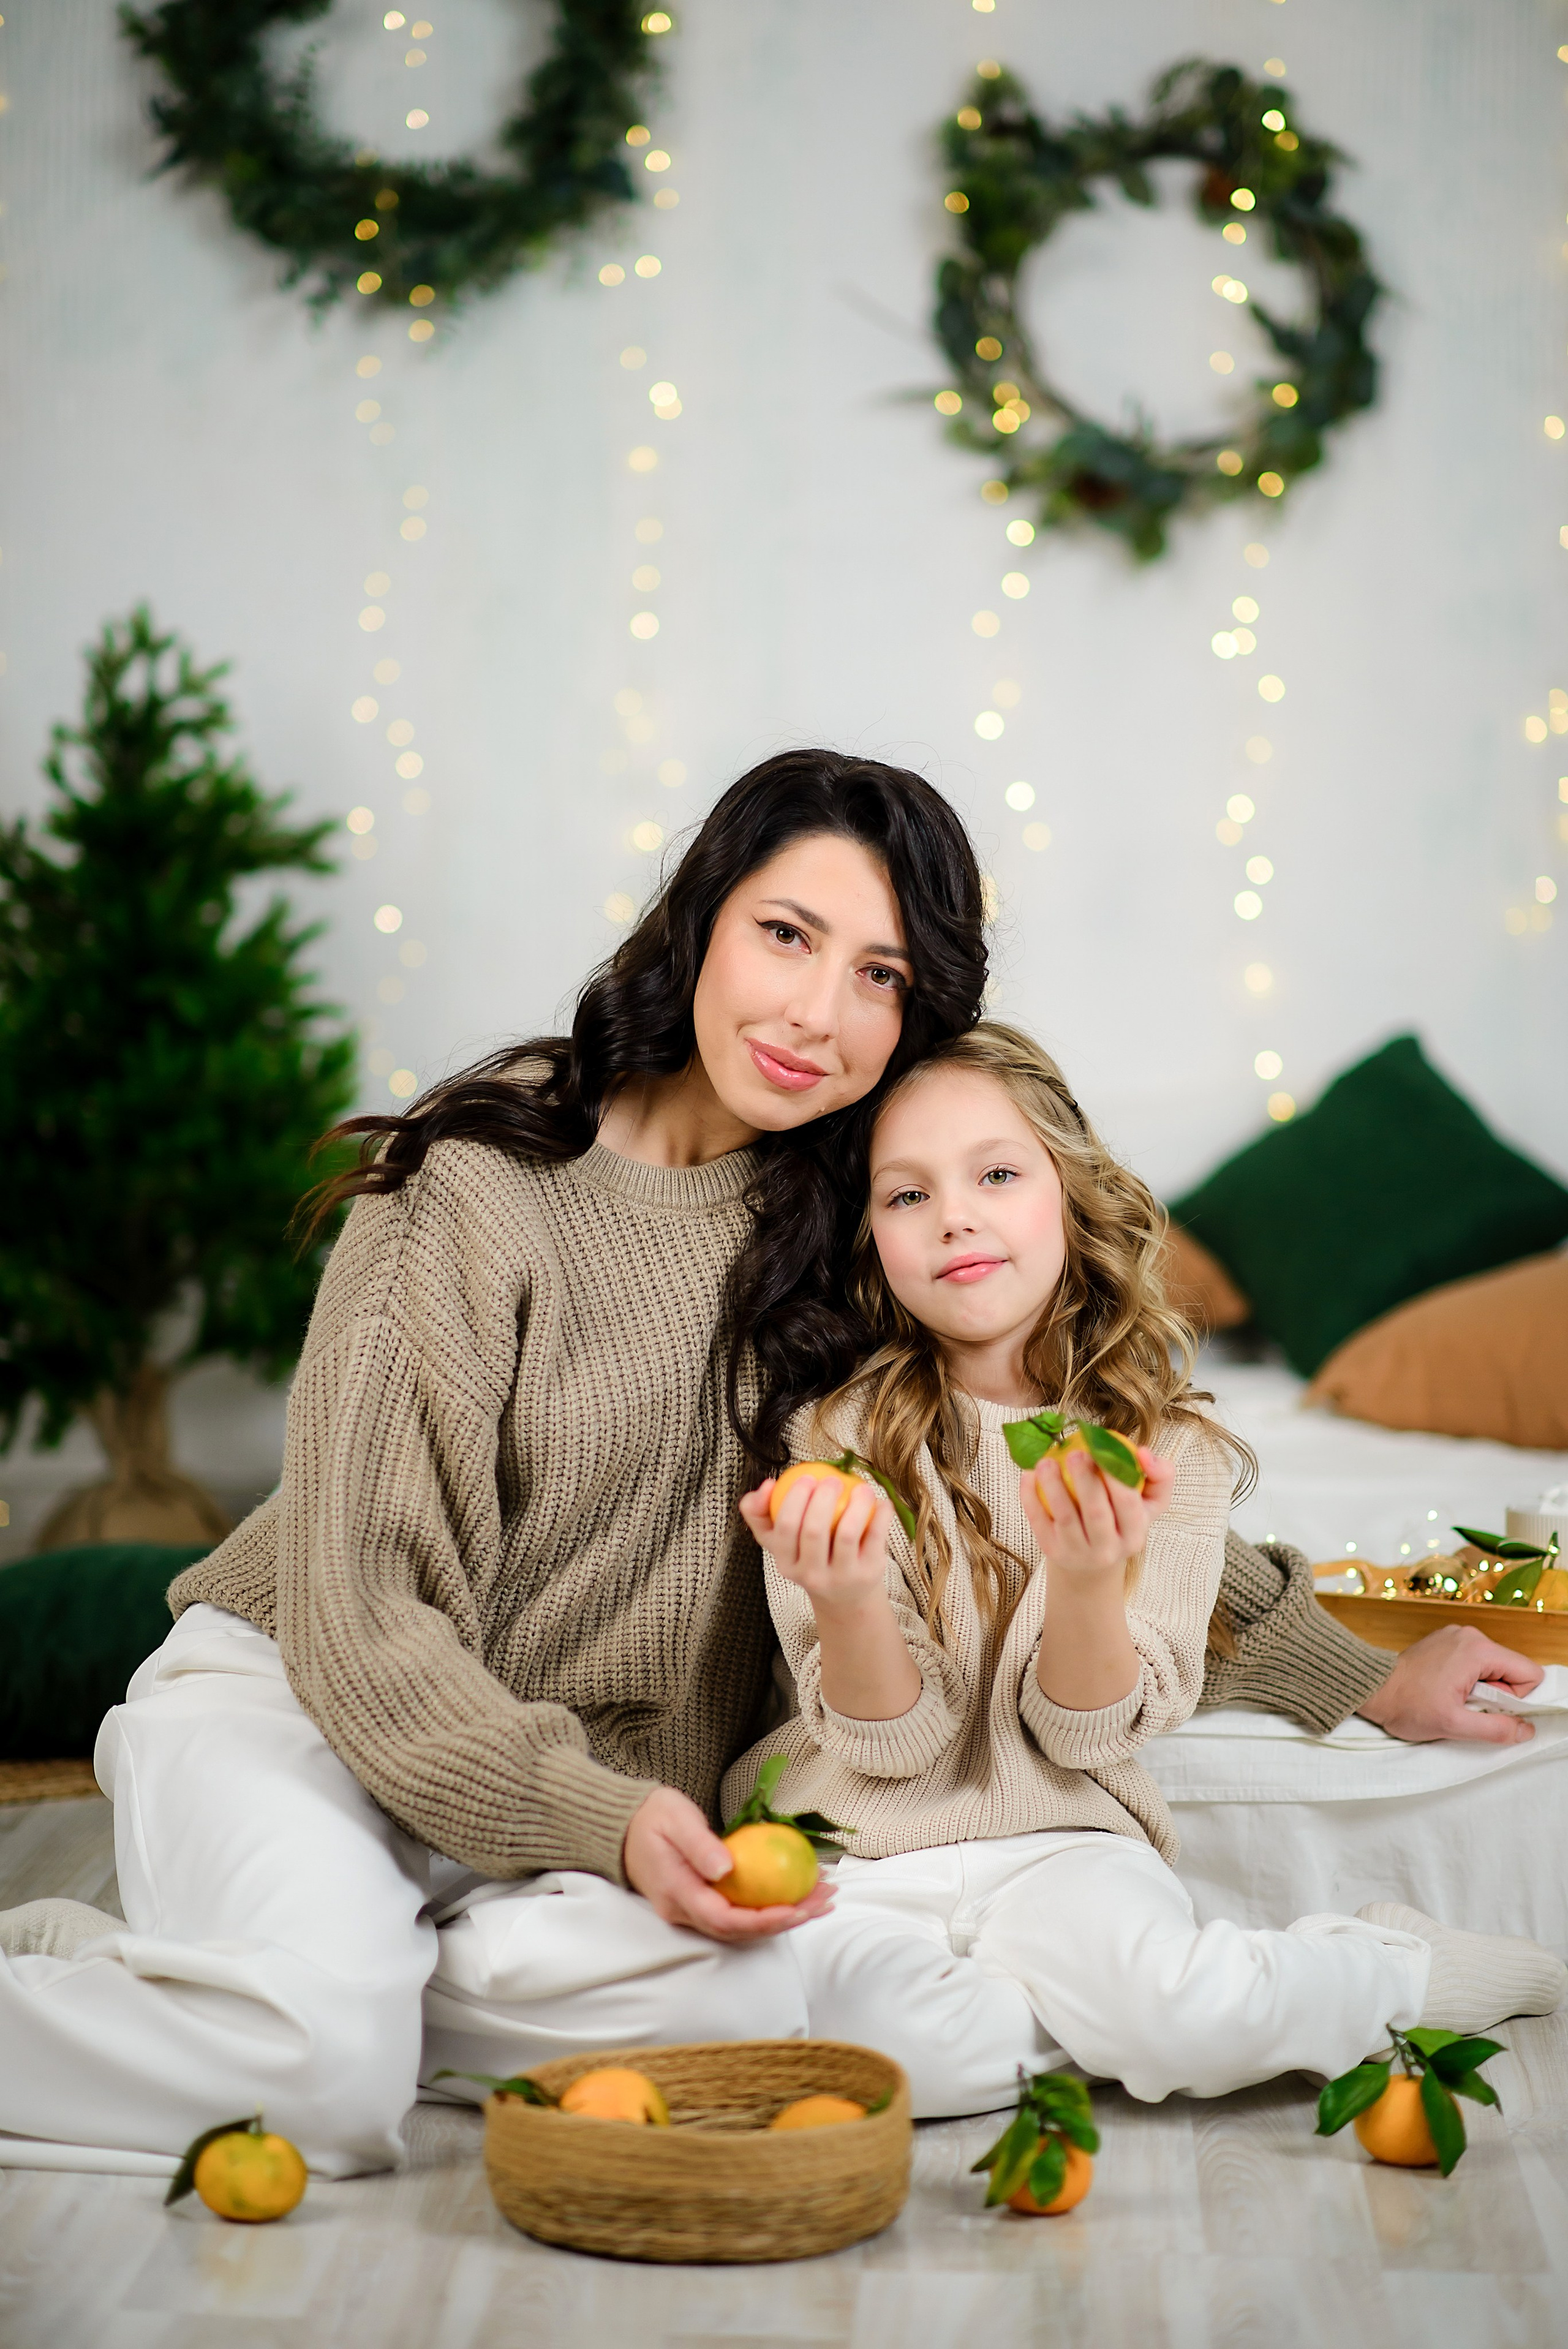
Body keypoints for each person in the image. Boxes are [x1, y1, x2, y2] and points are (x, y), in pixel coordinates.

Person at [0, 753, 1547, 2176]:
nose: (818, 1013)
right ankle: (276, 1998)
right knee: (330, 2082)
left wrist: (1347, 1676)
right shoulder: (470, 1193)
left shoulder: (860, 1217)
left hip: (560, 1810)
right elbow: (360, 1609)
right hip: (317, 1704)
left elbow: (1051, 1461)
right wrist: (595, 1821)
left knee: (901, 2030)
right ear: (699, 927)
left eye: (879, 975)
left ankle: (211, 1985)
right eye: (787, 936)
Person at [722, 1024, 1563, 2103]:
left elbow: (1081, 1734)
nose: (956, 1216)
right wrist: (842, 1602)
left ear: (1070, 1198)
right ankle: (1112, 2012)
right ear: (871, 1239)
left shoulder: (1171, 1455)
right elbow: (893, 1747)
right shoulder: (833, 1437)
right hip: (860, 1846)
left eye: (996, 1173)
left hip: (1063, 1841)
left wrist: (1085, 1579)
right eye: (906, 1195)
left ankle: (1392, 1968)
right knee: (888, 2064)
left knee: (1180, 2022)